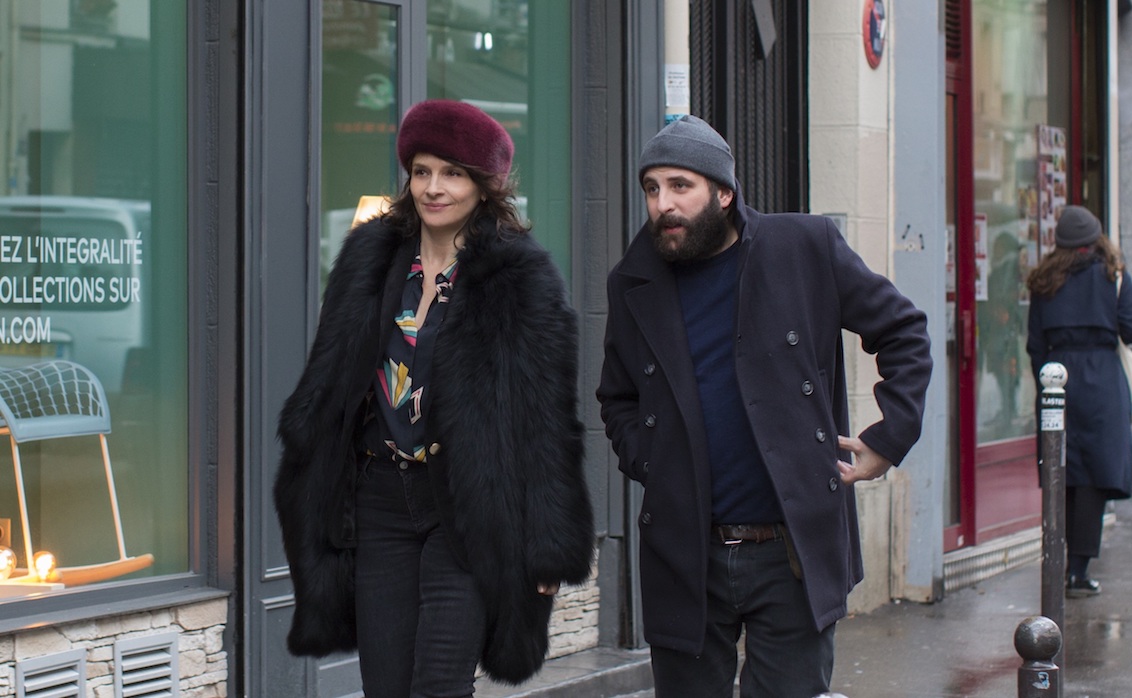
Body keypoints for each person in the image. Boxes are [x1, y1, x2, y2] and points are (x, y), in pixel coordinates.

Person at [596, 115, 932, 696]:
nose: (662, 204)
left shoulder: (801, 247)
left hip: (791, 548)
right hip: (686, 549)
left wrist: (889, 437)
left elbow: (903, 330)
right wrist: (652, 462)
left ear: (723, 193)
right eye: (652, 189)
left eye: (680, 186)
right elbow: (617, 398)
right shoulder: (633, 281)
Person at [274, 99, 595, 697]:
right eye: (422, 171)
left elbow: (548, 421)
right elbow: (333, 376)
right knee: (386, 687)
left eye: (452, 173)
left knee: (440, 685)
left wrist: (550, 544)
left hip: (467, 504)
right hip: (379, 501)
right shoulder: (370, 260)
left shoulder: (522, 279)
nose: (433, 188)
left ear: (484, 185)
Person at [1026, 205, 1132, 598]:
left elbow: (1034, 344)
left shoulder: (1044, 281)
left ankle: (1056, 562)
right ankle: (1078, 569)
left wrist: (1047, 381)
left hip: (1056, 377)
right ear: (1096, 240)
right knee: (1094, 473)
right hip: (1103, 382)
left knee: (1061, 469)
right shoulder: (1113, 276)